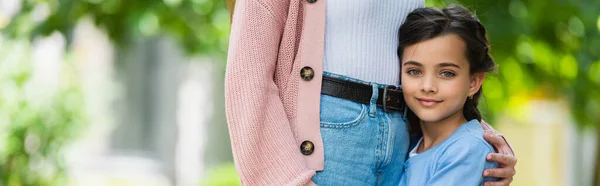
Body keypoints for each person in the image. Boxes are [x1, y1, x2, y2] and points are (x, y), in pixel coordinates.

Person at [224, 0, 517, 185]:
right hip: (328, 144)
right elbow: (248, 77)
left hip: (402, 141)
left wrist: (480, 146)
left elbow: (435, 60)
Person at [397, 5, 503, 186]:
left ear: (473, 82)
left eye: (446, 73)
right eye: (414, 71)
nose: (428, 86)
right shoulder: (410, 143)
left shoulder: (468, 149)